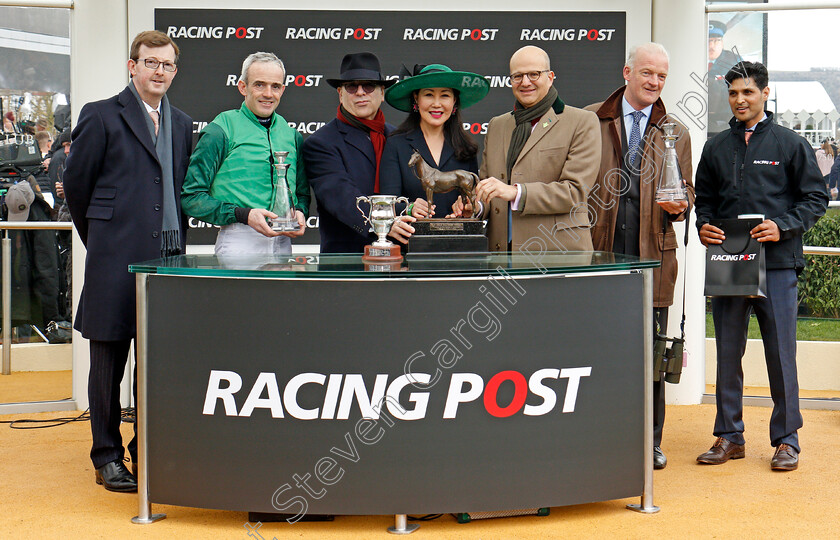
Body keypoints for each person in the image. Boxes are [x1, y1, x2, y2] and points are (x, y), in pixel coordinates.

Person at [63, 30, 193, 492]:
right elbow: (77, 188)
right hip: (114, 260)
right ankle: (107, 456)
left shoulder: (182, 122)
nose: (159, 71)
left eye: (167, 65)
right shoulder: (100, 115)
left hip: (166, 264)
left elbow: (176, 188)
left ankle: (145, 448)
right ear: (132, 65)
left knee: (155, 364)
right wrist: (103, 238)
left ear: (175, 71)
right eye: (151, 62)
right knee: (107, 363)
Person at [694, 61, 828, 471]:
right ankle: (729, 436)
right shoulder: (716, 146)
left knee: (780, 354)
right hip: (730, 264)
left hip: (778, 265)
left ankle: (787, 440)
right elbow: (705, 201)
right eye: (733, 93)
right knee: (727, 353)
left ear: (765, 93)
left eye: (748, 92)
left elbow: (815, 199)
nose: (739, 100)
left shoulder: (790, 144)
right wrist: (703, 226)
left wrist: (783, 226)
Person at [585, 42, 694, 470]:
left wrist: (681, 204)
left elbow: (685, 191)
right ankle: (594, 435)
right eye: (647, 73)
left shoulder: (677, 131)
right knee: (597, 352)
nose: (654, 82)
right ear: (627, 72)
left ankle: (649, 442)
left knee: (651, 357)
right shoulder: (590, 119)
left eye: (662, 76)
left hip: (653, 259)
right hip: (599, 258)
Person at [452, 45, 600, 252]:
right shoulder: (497, 125)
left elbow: (575, 192)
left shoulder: (582, 121)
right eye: (518, 76)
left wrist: (515, 192)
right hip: (502, 253)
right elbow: (488, 189)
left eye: (534, 74)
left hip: (557, 254)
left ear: (550, 77)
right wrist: (475, 207)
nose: (525, 82)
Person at [181, 52, 308, 255]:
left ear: (283, 90)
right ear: (242, 87)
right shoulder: (220, 129)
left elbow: (302, 194)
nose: (268, 93)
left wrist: (300, 211)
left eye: (275, 86)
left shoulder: (291, 135)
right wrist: (243, 215)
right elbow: (192, 197)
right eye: (259, 84)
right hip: (238, 242)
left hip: (284, 244)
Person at [302, 52, 411, 253]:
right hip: (347, 261)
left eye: (369, 85)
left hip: (401, 259)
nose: (360, 92)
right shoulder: (320, 143)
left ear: (382, 92)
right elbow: (341, 196)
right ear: (340, 93)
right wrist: (384, 225)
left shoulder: (399, 137)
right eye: (352, 86)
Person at [380, 63, 489, 227]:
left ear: (454, 101)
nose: (437, 104)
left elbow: (473, 202)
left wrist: (467, 209)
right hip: (410, 246)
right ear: (416, 98)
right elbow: (386, 204)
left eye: (445, 95)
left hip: (458, 245)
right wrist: (409, 208)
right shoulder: (396, 144)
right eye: (429, 95)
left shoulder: (467, 148)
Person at [707, 20, 743, 136]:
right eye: (708, 41)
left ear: (722, 43)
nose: (712, 46)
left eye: (716, 41)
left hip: (727, 122)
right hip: (697, 119)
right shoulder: (691, 60)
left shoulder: (734, 61)